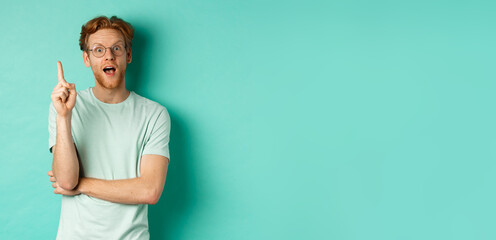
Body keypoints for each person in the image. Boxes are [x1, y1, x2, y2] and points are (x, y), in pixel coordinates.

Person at [47, 15, 171, 239]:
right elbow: (66, 180)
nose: (109, 56)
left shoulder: (154, 114)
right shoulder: (65, 107)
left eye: (116, 48)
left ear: (129, 55)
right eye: (98, 50)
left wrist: (81, 185)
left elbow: (150, 191)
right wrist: (64, 116)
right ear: (87, 58)